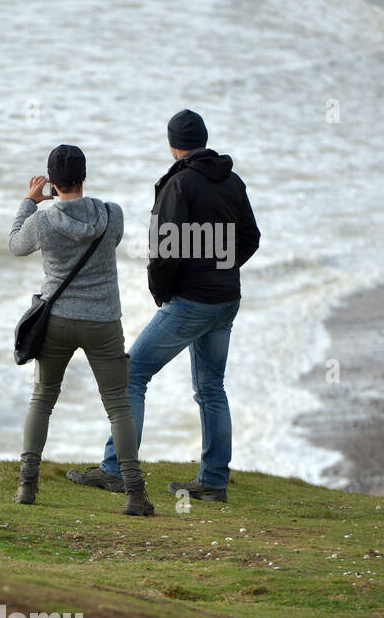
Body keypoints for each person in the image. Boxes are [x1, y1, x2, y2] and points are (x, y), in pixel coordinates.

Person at [66, 110, 260, 503]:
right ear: (203, 139)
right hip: (226, 299)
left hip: (192, 301)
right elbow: (251, 237)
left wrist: (162, 292)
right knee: (211, 387)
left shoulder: (180, 184)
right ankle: (214, 482)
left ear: (173, 145)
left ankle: (116, 470)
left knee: (131, 374)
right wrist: (222, 268)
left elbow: (163, 251)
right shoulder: (232, 181)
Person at [8, 144, 154, 516]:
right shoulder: (111, 215)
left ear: (53, 183)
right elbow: (112, 242)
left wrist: (30, 201)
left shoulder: (42, 221)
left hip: (56, 319)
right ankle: (135, 495)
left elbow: (15, 246)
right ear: (84, 177)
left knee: (43, 399)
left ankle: (27, 485)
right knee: (118, 406)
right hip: (104, 321)